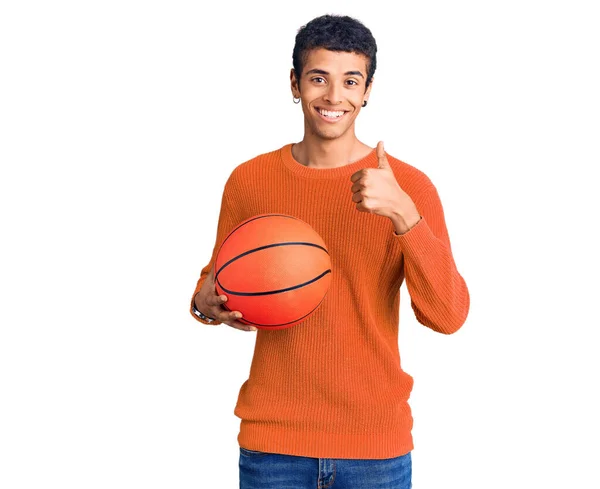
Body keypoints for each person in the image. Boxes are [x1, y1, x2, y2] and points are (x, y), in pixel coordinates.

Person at [190, 14, 470, 489]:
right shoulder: (249, 180)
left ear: (367, 90)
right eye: (318, 78)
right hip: (273, 445)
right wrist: (205, 303)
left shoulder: (409, 188)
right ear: (295, 84)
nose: (334, 97)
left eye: (350, 81)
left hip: (375, 448)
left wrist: (405, 217)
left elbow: (448, 316)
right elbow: (210, 283)